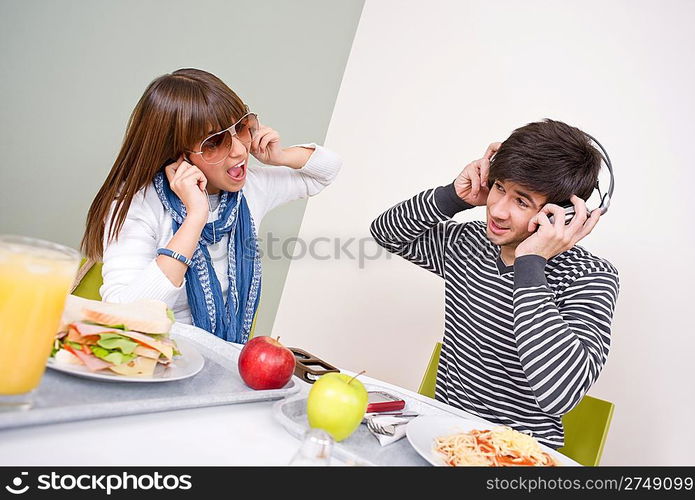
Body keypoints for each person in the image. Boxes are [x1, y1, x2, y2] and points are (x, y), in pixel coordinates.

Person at [370, 119, 619, 448]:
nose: (497, 211)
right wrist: (452, 197)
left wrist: (531, 263)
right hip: (439, 438)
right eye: (500, 187)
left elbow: (560, 394)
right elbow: (386, 233)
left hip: (516, 455)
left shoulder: (590, 276)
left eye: (521, 201)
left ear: (565, 215)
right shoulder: (470, 244)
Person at [80, 68, 342, 343]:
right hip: (156, 360)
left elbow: (327, 170)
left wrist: (281, 156)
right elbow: (125, 316)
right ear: (178, 155)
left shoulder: (249, 189)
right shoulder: (138, 204)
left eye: (241, 128)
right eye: (215, 142)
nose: (240, 150)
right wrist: (195, 217)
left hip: (223, 360)